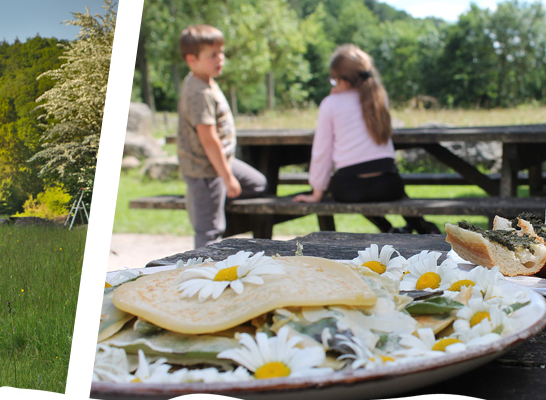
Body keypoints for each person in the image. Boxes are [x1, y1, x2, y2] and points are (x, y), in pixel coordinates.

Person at [291, 45, 437, 234]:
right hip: (390, 185)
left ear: (342, 81)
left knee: (350, 186)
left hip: (349, 189)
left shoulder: (330, 104)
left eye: (333, 80)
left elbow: (322, 151)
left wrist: (317, 192)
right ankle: (422, 228)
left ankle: (388, 228)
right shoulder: (379, 97)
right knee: (379, 188)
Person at [177, 24, 267, 249]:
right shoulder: (198, 93)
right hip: (206, 171)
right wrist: (227, 178)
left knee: (258, 184)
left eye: (221, 52)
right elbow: (209, 140)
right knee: (209, 230)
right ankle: (203, 268)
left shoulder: (205, 81)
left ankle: (208, 203)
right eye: (213, 55)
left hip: (219, 162)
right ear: (192, 60)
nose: (221, 59)